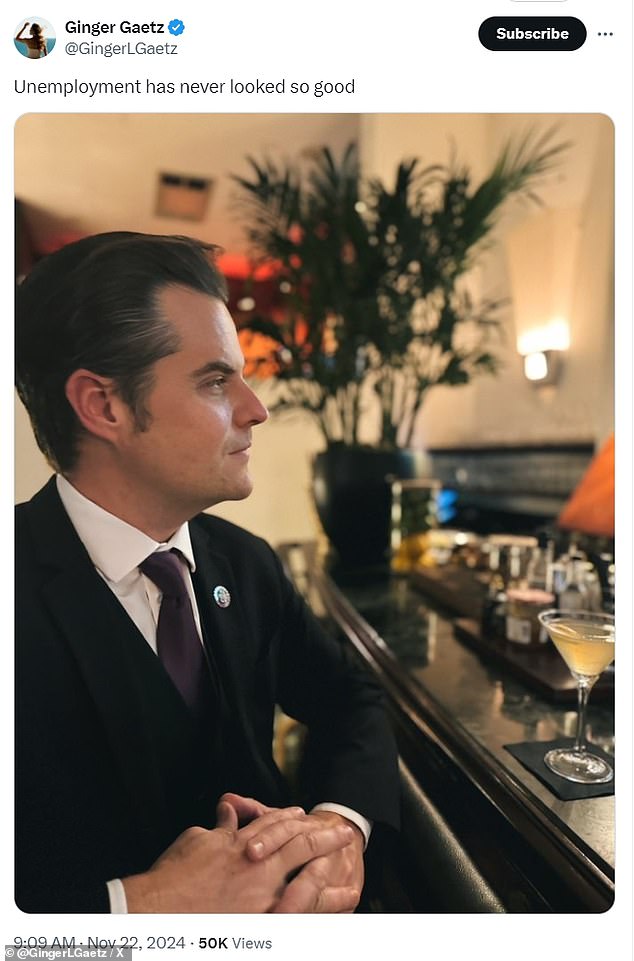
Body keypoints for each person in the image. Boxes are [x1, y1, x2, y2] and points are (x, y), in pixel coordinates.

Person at [15, 232, 400, 914]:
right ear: (103, 406)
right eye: (217, 380)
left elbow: (352, 699)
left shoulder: (245, 562)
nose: (257, 408)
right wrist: (135, 904)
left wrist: (342, 824)